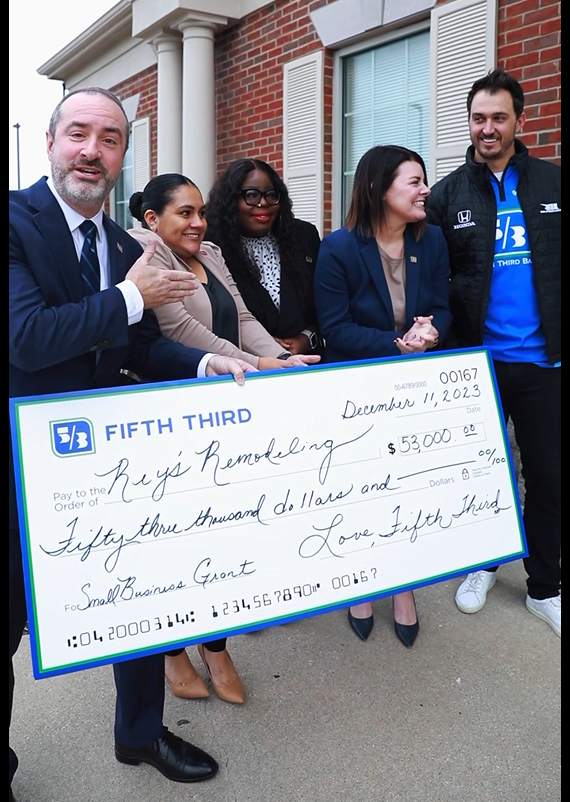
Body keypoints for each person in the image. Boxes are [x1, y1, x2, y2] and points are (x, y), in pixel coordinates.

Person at [9, 87, 256, 795]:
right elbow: (25, 338)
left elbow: (141, 347)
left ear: (123, 155)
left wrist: (206, 365)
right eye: (78, 133)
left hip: (114, 467)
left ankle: (140, 734)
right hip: (21, 465)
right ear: (51, 142)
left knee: (140, 604)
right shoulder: (15, 221)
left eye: (109, 138)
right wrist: (130, 296)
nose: (92, 150)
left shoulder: (125, 247)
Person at [128, 174, 320, 704]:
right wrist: (258, 364)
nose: (198, 223)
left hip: (226, 409)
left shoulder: (209, 253)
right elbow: (184, 332)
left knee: (222, 537)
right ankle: (171, 650)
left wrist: (281, 359)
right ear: (152, 219)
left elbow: (242, 316)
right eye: (184, 213)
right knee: (174, 542)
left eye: (200, 212)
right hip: (171, 417)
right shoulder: (145, 256)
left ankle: (216, 646)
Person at [427, 68, 561, 638]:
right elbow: (433, 277)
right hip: (477, 363)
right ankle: (482, 565)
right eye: (478, 118)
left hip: (545, 363)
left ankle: (545, 586)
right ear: (469, 122)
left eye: (498, 117)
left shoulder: (552, 183)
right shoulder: (448, 194)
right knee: (482, 476)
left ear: (518, 121)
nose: (488, 128)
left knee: (549, 479)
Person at [313, 145, 452, 646]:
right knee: (360, 490)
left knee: (408, 488)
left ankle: (404, 586)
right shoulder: (339, 247)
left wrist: (430, 332)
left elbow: (443, 306)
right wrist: (397, 343)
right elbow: (334, 329)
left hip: (413, 389)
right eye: (414, 181)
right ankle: (361, 581)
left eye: (423, 180)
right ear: (378, 187)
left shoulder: (431, 239)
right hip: (356, 391)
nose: (425, 190)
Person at [205, 158, 323, 355]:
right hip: (242, 365)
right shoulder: (210, 247)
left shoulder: (303, 236)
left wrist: (307, 338)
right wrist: (260, 345)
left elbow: (327, 303)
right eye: (251, 195)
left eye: (271, 194)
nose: (263, 202)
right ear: (230, 201)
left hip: (308, 362)